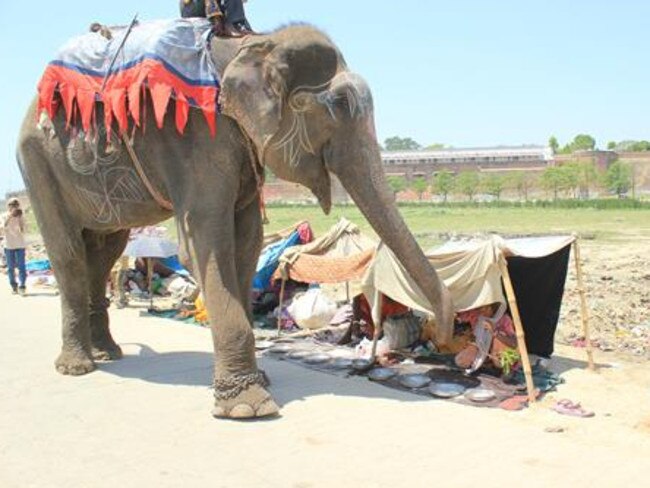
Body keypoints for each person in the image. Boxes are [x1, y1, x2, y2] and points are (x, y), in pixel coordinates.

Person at [180, 0, 254, 37]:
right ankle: (232, 26)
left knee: (231, 11)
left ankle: (241, 26)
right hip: (192, 6)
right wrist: (216, 19)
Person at [1, 198, 27, 295]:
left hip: (20, 244)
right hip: (9, 245)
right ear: (8, 206)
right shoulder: (3, 215)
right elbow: (2, 228)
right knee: (11, 267)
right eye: (12, 205)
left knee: (22, 266)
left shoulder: (21, 215)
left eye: (16, 205)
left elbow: (23, 230)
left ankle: (22, 286)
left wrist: (19, 218)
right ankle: (14, 286)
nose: (14, 207)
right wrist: (10, 216)